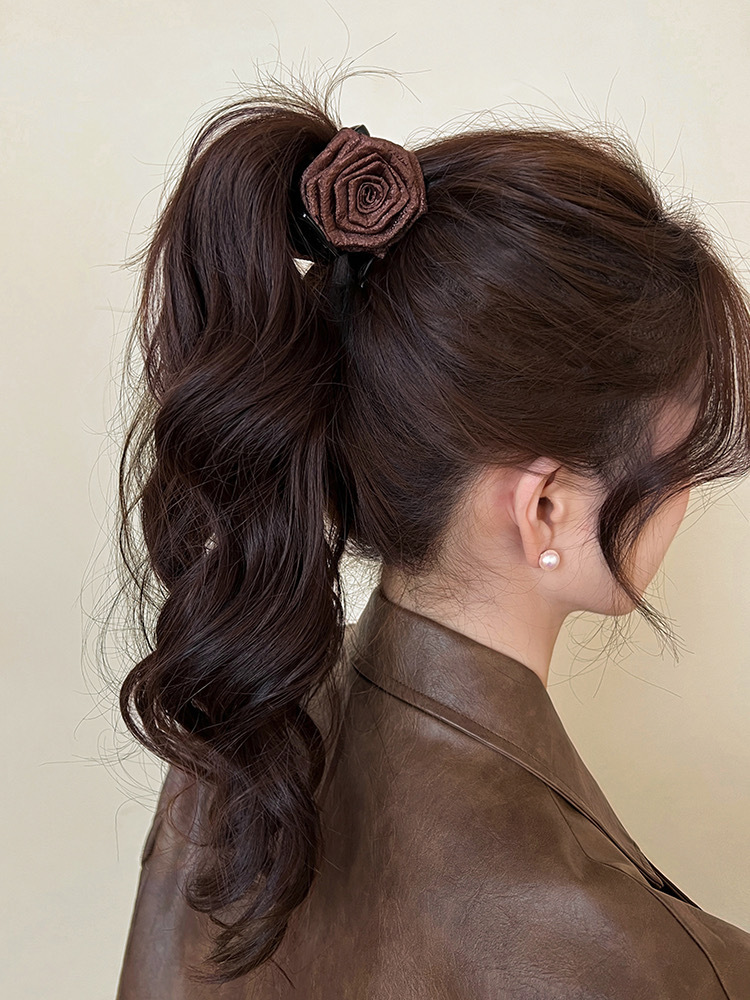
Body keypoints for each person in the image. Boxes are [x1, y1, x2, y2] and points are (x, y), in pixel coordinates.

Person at [112, 71, 750, 998]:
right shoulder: (651, 965)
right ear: (543, 509)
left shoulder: (243, 741)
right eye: (676, 461)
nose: (687, 498)